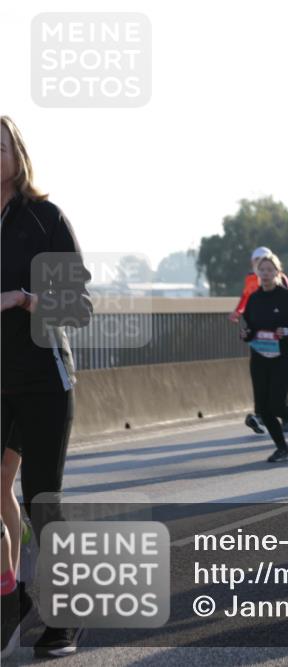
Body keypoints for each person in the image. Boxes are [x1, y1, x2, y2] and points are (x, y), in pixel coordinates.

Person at [1, 115, 90, 658]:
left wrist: (22, 298)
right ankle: (12, 597)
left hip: (42, 378)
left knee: (40, 498)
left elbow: (77, 308)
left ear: (18, 156)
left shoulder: (43, 218)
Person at [240, 252, 288, 462]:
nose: (265, 274)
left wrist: (287, 331)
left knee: (277, 404)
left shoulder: (287, 297)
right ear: (257, 273)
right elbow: (250, 328)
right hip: (259, 359)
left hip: (283, 357)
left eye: (269, 270)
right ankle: (282, 448)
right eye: (262, 270)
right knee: (263, 409)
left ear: (277, 272)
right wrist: (246, 334)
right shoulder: (254, 299)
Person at [232, 247, 288, 436]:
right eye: (256, 261)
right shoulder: (251, 279)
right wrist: (238, 313)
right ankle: (261, 415)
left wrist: (285, 328)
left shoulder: (280, 278)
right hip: (260, 340)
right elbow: (245, 299)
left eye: (262, 260)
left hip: (279, 340)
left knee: (278, 383)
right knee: (261, 381)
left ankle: (287, 418)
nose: (260, 267)